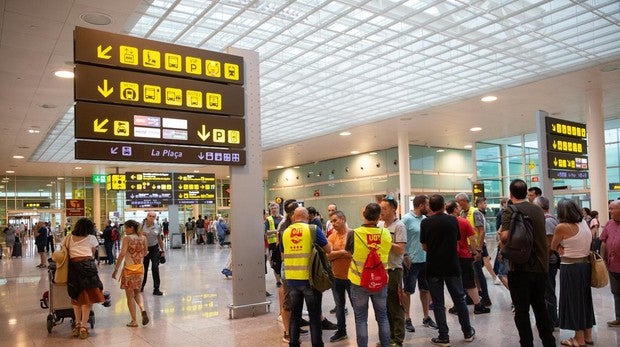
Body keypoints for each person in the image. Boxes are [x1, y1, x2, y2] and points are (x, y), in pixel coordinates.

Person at [499, 179, 555, 347]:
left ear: (510, 194)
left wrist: (500, 233)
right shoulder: (538, 210)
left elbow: (505, 237)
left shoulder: (510, 210)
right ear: (526, 193)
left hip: (519, 267)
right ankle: (549, 342)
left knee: (522, 311)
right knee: (540, 308)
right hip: (540, 266)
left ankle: (527, 344)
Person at [421, 195, 476, 346]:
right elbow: (458, 239)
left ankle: (443, 336)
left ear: (430, 207)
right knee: (459, 299)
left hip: (433, 267)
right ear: (444, 206)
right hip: (452, 265)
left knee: (438, 303)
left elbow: (424, 247)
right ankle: (467, 332)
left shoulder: (425, 223)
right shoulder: (453, 220)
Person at [282, 206, 331, 347]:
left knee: (295, 315)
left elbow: (284, 255)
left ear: (294, 217)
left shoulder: (285, 232)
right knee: (314, 316)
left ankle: (293, 342)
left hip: (292, 280)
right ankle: (317, 344)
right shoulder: (312, 230)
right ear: (307, 217)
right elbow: (329, 249)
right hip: (310, 280)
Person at [550, 198, 595, 347]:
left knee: (573, 301)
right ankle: (588, 335)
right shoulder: (583, 223)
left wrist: (560, 249)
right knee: (584, 300)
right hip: (585, 266)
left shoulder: (562, 227)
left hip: (570, 268)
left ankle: (578, 339)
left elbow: (553, 246)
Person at [346, 202, 392, 347]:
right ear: (379, 217)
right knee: (383, 317)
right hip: (380, 281)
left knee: (360, 319)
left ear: (363, 214)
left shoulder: (354, 233)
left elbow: (349, 252)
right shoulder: (385, 233)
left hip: (359, 282)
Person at [445, 200, 490, 315]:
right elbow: (473, 238)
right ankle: (478, 305)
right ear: (455, 209)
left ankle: (457, 306)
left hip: (450, 256)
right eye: (458, 207)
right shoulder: (463, 222)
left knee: (455, 282)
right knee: (470, 281)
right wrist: (475, 252)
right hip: (464, 255)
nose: (459, 209)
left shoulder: (444, 223)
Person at [401, 194, 437, 332]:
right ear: (421, 205)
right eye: (427, 204)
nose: (429, 207)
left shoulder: (425, 219)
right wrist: (405, 255)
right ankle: (407, 318)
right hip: (411, 261)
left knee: (425, 289)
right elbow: (399, 238)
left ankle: (426, 317)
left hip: (425, 260)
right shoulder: (406, 219)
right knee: (408, 291)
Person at [65, 218, 105, 339]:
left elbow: (65, 251)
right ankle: (83, 327)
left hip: (73, 269)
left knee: (76, 298)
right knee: (87, 300)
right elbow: (93, 253)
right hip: (88, 269)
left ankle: (77, 325)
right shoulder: (92, 238)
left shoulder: (68, 238)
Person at [380, 195, 407, 347]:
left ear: (393, 210)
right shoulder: (380, 225)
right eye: (380, 208)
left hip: (394, 270)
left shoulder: (399, 226)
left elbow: (401, 249)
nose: (381, 211)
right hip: (381, 270)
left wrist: (386, 241)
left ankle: (397, 339)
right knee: (384, 306)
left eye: (384, 208)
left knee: (396, 305)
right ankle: (388, 337)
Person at [455, 193, 491, 307]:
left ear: (463, 201)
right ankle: (472, 296)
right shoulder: (462, 213)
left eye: (458, 201)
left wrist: (479, 249)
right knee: (471, 274)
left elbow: (481, 231)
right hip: (467, 248)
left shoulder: (475, 212)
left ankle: (486, 297)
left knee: (478, 273)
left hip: (476, 247)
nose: (457, 204)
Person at [112, 220, 149, 327]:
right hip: (140, 269)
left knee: (129, 297)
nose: (125, 230)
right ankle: (142, 309)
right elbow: (145, 253)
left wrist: (116, 269)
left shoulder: (127, 238)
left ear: (131, 228)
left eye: (126, 228)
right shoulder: (143, 238)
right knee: (138, 292)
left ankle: (134, 321)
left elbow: (122, 253)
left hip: (129, 270)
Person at [326, 210, 352, 342]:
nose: (332, 223)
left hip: (352, 277)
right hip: (337, 277)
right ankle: (341, 331)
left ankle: (361, 331)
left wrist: (336, 253)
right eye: (331, 221)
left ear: (343, 219)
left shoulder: (352, 234)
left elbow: (353, 254)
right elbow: (327, 255)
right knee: (339, 306)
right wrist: (343, 252)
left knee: (357, 307)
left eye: (335, 220)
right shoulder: (331, 237)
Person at [535, 196, 560, 329]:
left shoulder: (548, 221)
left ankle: (551, 321)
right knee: (546, 291)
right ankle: (552, 319)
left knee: (548, 291)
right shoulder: (545, 219)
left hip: (548, 262)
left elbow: (549, 245)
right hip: (546, 261)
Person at [600, 200, 620, 327]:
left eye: (612, 208)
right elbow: (603, 241)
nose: (610, 211)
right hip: (613, 265)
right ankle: (618, 318)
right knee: (616, 292)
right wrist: (603, 259)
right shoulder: (609, 224)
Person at [141, 211, 165, 296]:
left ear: (155, 218)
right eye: (150, 216)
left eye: (153, 216)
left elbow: (159, 239)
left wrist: (162, 251)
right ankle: (141, 286)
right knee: (144, 269)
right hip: (144, 249)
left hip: (154, 248)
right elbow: (136, 237)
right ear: (147, 216)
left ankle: (156, 289)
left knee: (155, 268)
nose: (151, 217)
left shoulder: (157, 227)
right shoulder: (141, 226)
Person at [265, 202, 283, 287]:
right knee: (274, 262)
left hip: (281, 242)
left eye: (275, 208)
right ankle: (278, 281)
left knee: (282, 260)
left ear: (278, 208)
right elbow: (267, 232)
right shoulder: (268, 219)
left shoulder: (282, 218)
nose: (274, 210)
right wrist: (276, 231)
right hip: (272, 243)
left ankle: (283, 278)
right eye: (272, 208)